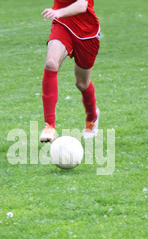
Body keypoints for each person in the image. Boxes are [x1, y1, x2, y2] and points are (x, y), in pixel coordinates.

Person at [39, 0, 101, 142]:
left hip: (87, 32)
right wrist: (58, 15)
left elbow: (82, 5)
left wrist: (58, 12)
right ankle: (49, 126)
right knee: (50, 63)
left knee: (81, 83)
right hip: (62, 24)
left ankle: (92, 116)